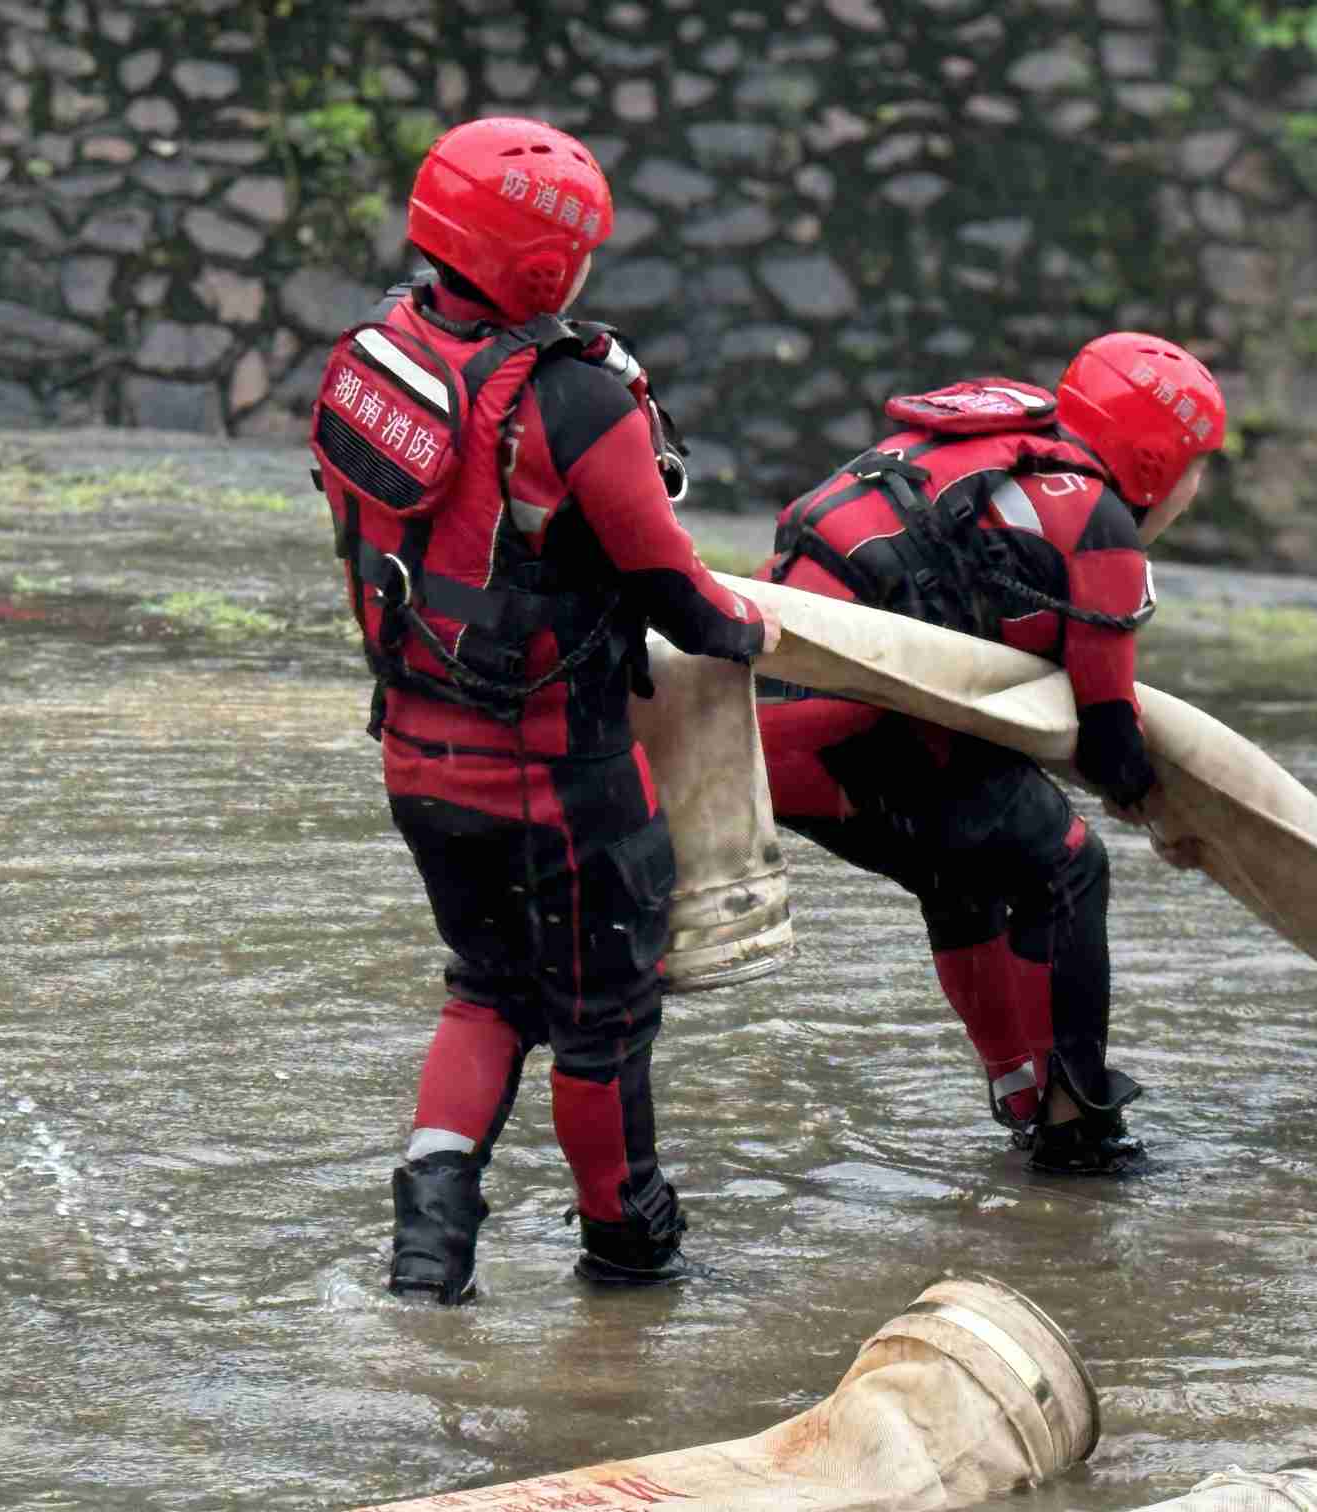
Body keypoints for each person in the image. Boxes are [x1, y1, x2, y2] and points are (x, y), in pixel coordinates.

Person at [310, 117, 780, 1301]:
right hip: (562, 788)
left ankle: (427, 1266)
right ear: (548, 266)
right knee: (600, 1023)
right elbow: (682, 598)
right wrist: (756, 633)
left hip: (415, 762)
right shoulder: (578, 401)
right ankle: (629, 1252)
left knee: (485, 994)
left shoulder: (376, 357)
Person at [755, 335, 1224, 1174]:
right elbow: (1112, 744)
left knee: (964, 868)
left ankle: (1019, 1091)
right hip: (853, 733)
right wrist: (1178, 818)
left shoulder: (970, 454)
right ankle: (1078, 1125)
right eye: (1200, 466)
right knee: (1070, 867)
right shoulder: (1099, 522)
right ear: (1154, 460)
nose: (1201, 490)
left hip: (759, 731)